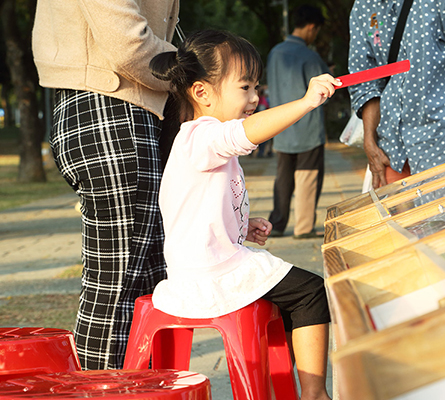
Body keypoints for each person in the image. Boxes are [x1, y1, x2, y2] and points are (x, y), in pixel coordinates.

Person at [149, 30, 336, 400]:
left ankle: (284, 388)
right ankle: (315, 394)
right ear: (202, 93)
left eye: (256, 88)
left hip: (201, 268)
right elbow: (246, 133)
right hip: (212, 275)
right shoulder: (202, 135)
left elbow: (193, 210)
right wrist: (305, 102)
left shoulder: (197, 141)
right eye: (245, 88)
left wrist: (241, 225)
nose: (254, 99)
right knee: (311, 291)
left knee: (289, 297)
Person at [32, 0, 179, 370]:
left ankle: (141, 391)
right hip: (109, 111)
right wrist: (207, 70)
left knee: (148, 283)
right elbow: (130, 47)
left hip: (126, 109)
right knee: (115, 287)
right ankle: (98, 392)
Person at [348, 0, 445, 188]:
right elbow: (364, 81)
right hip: (393, 150)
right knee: (399, 217)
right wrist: (370, 143)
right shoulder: (363, 6)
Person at [267, 5, 329, 239]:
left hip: (280, 126)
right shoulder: (310, 56)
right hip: (307, 128)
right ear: (312, 27)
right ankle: (303, 227)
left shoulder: (275, 52)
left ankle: (278, 224)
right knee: (308, 175)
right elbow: (324, 88)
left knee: (283, 178)